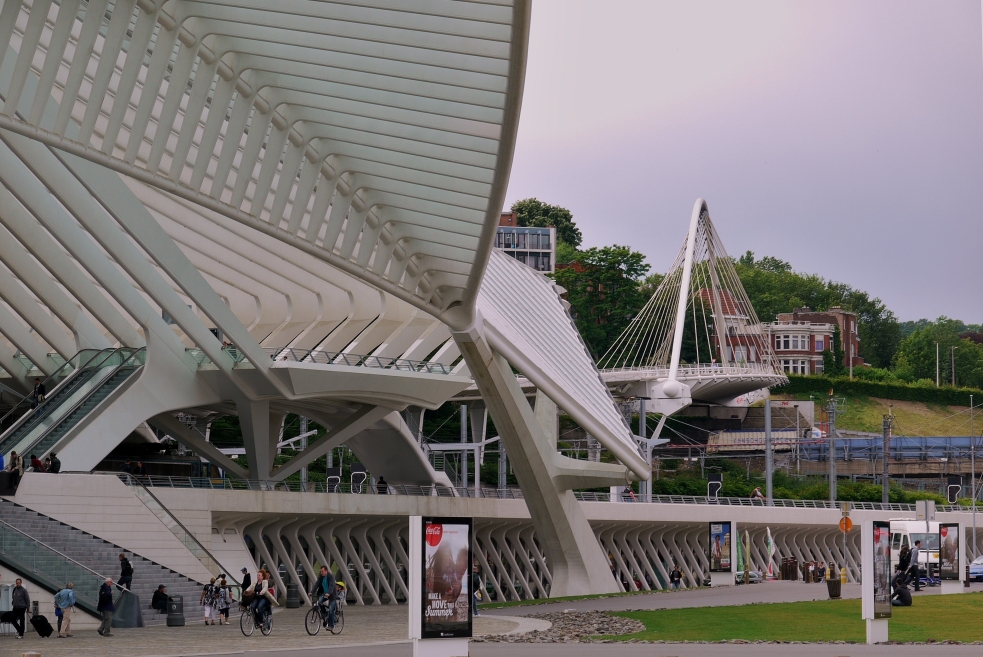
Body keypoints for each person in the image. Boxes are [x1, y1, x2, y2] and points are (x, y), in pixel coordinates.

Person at [310, 565, 337, 629]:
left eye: (322, 571)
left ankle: (331, 625)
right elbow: (316, 585)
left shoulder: (331, 577)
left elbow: (331, 585)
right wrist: (311, 592)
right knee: (319, 602)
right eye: (320, 571)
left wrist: (329, 593)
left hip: (332, 595)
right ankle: (325, 615)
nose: (321, 573)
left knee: (331, 609)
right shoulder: (321, 577)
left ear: (326, 571)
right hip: (324, 594)